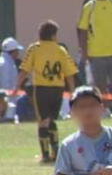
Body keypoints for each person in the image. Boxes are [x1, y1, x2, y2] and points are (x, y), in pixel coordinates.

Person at [14, 20, 78, 163]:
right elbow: (69, 73)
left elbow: (25, 69)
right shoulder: (61, 50)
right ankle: (55, 153)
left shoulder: (34, 48)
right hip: (57, 89)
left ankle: (45, 155)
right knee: (51, 119)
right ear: (54, 35)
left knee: (43, 121)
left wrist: (16, 86)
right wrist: (73, 91)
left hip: (42, 89)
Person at [77, 0, 112, 94]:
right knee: (100, 89)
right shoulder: (89, 6)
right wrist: (84, 52)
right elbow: (83, 30)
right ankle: (104, 108)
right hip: (96, 55)